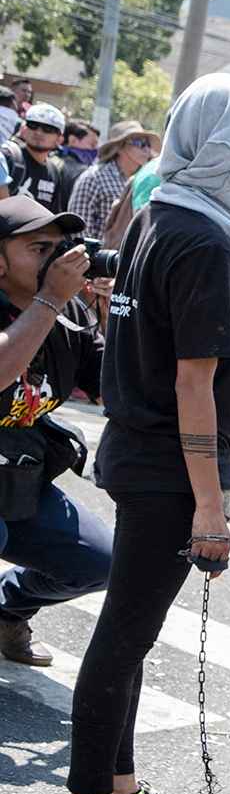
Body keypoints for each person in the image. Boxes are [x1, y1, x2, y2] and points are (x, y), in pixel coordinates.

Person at [50, 74, 230, 794]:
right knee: (124, 634)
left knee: (134, 632)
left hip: (139, 449)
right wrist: (211, 506)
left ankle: (117, 785)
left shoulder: (165, 212)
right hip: (164, 465)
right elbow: (193, 384)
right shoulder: (207, 242)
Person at [0, 196, 112, 668]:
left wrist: (115, 312)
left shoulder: (69, 317)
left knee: (100, 562)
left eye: (59, 249)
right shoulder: (51, 305)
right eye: (38, 249)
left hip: (16, 474)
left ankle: (7, 611)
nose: (55, 261)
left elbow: (114, 389)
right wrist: (49, 300)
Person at [66, 119, 157, 241]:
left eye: (148, 144)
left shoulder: (146, 181)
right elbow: (78, 229)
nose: (146, 149)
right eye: (140, 143)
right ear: (119, 147)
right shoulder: (94, 178)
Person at [3, 103, 81, 215]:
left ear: (59, 139)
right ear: (23, 130)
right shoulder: (8, 158)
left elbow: (53, 215)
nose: (39, 132)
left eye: (48, 129)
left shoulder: (54, 172)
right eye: (33, 125)